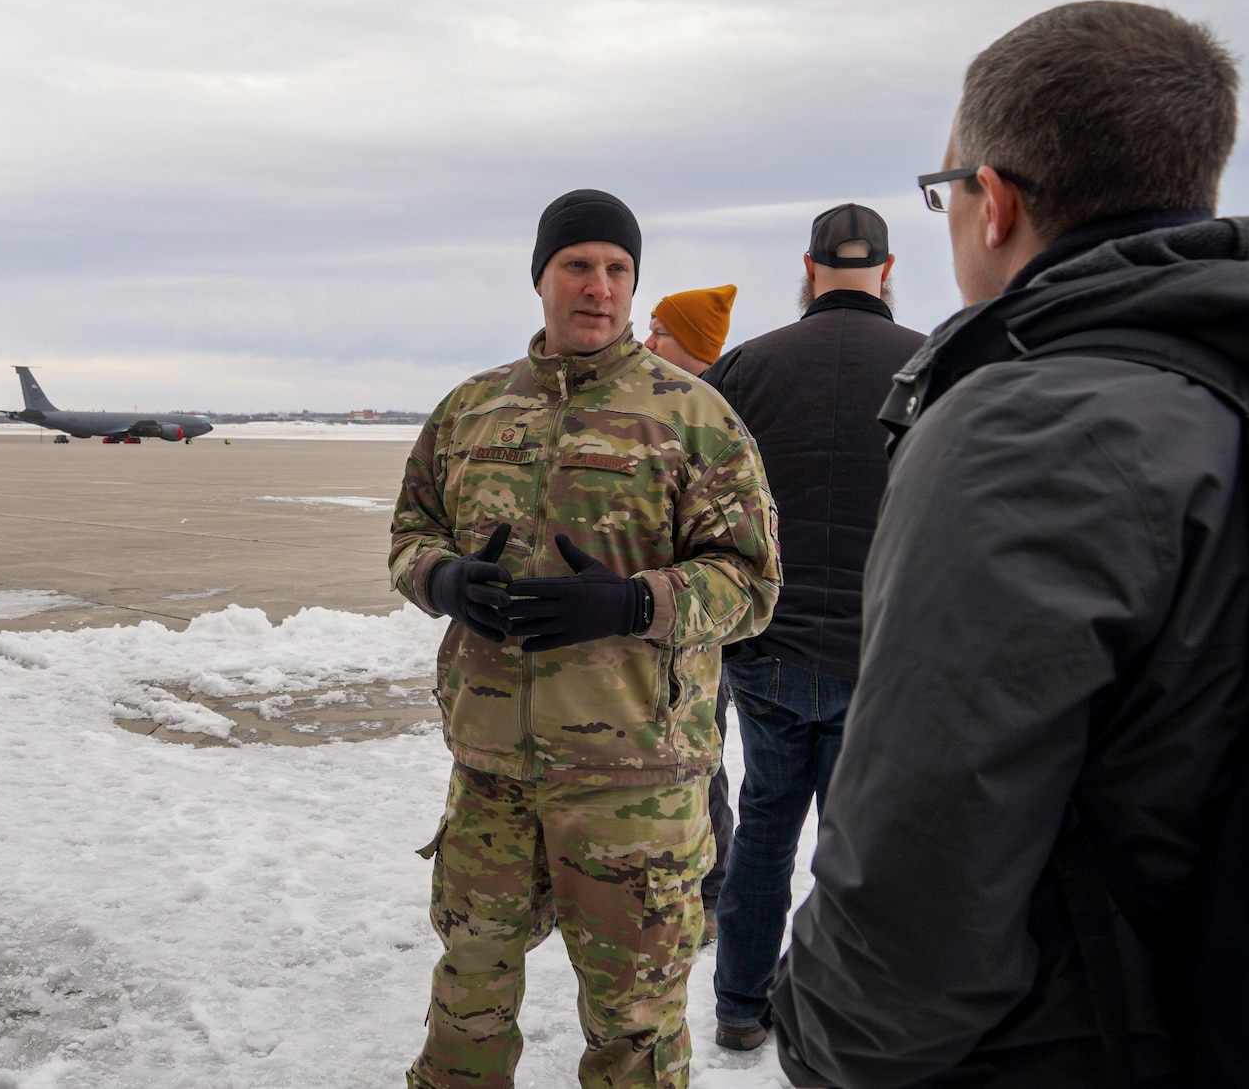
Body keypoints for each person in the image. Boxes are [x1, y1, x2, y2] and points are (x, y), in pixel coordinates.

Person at [770, 1, 1249, 1086]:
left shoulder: (1028, 428)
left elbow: (919, 893)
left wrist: (818, 1043)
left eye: (944, 189)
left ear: (989, 202)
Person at [390, 188, 780, 1089]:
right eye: (577, 265)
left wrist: (634, 606)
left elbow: (753, 584)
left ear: (634, 284)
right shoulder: (471, 410)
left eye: (616, 268)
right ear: (542, 277)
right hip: (490, 773)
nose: (597, 286)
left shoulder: (695, 418)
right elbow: (410, 532)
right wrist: (443, 578)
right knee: (468, 999)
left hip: (634, 789)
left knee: (633, 1030)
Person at [699, 205, 924, 1051]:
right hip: (879, 651)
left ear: (808, 265)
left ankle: (740, 1007)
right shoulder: (932, 364)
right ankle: (851, 1018)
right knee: (857, 844)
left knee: (764, 826)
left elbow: (699, 507)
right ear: (889, 267)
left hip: (771, 649)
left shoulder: (746, 367)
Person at [640, 282, 740, 938]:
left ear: (695, 348)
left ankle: (710, 895)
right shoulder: (650, 408)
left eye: (660, 332)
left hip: (701, 630)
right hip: (641, 624)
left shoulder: (722, 420)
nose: (646, 342)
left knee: (698, 759)